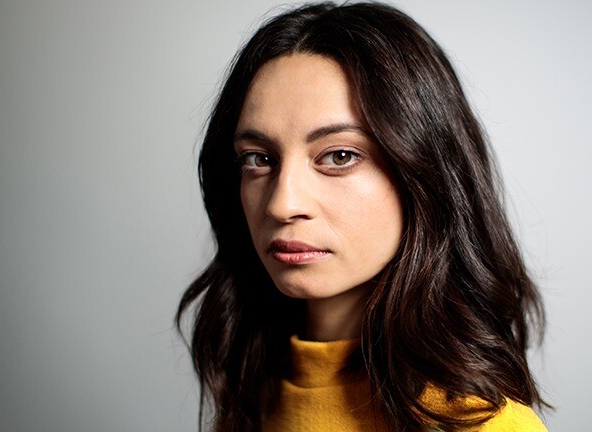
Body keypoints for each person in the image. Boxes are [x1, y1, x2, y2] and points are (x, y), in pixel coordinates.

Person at [176, 2, 549, 431]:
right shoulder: (254, 392)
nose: (282, 203)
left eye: (339, 156)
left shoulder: (482, 425)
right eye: (258, 158)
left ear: (424, 173)